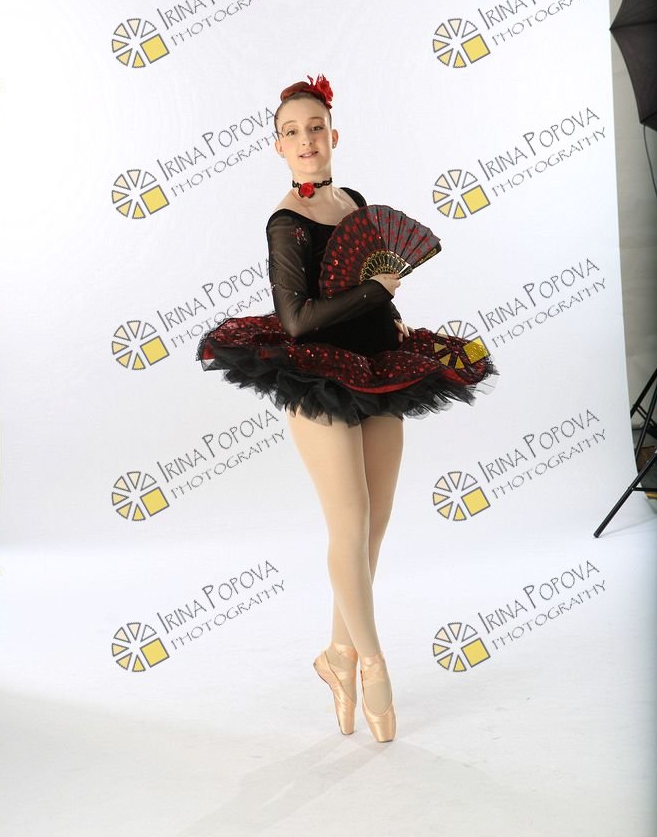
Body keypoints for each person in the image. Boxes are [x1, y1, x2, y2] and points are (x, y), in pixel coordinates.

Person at [197, 74, 495, 742]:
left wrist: (388, 316)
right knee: (349, 523)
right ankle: (372, 664)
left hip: (379, 369)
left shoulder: (353, 201)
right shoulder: (286, 223)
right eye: (291, 132)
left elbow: (364, 280)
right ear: (277, 147)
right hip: (316, 379)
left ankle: (336, 653)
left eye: (314, 128)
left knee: (375, 525)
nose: (306, 140)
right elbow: (297, 320)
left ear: (333, 134)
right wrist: (378, 290)